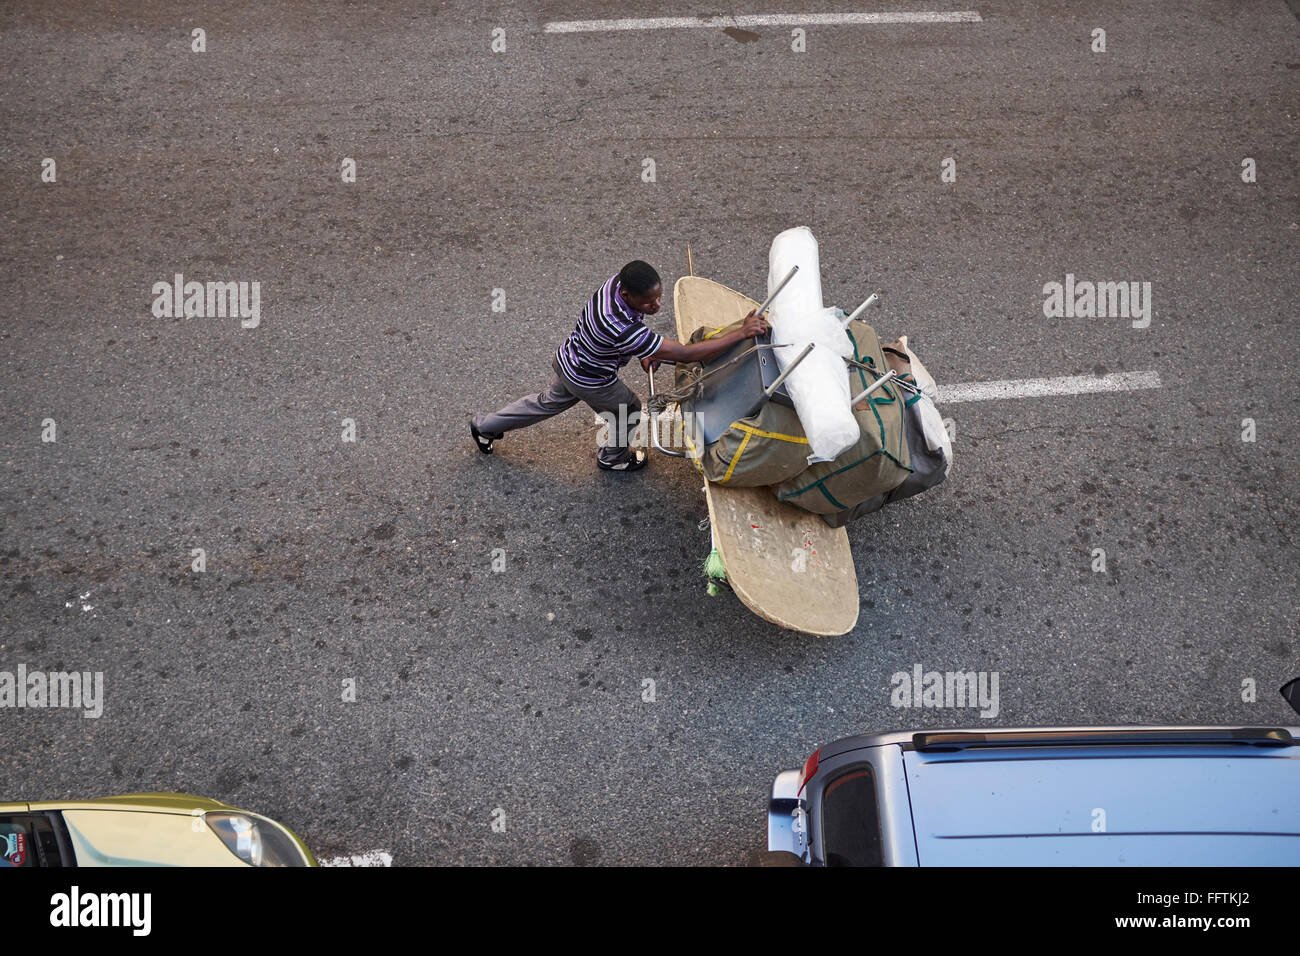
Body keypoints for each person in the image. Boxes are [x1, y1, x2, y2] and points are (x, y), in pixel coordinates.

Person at [471, 260, 769, 471]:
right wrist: (741, 333)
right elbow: (685, 354)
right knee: (628, 411)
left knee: (544, 403)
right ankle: (613, 458)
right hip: (591, 379)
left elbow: (638, 339)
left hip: (570, 358)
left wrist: (645, 351)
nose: (656, 306)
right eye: (649, 302)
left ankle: (485, 426)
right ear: (627, 296)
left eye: (659, 296)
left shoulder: (615, 285)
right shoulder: (619, 326)